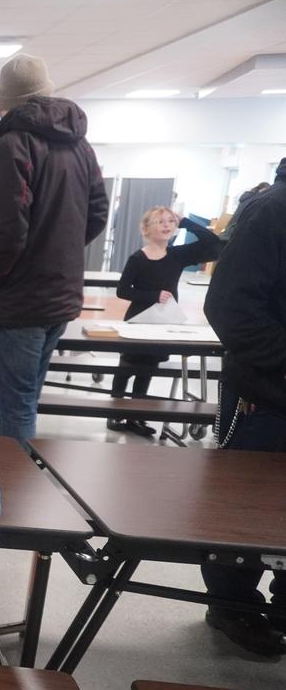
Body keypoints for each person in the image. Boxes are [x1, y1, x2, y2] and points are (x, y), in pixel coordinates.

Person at [0, 53, 108, 442]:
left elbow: (6, 232)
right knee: (26, 401)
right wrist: (57, 251)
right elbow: (97, 214)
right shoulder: (81, 147)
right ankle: (19, 487)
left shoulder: (11, 145)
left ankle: (11, 494)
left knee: (15, 409)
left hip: (19, 302)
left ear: (3, 103)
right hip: (59, 298)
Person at [200, 157, 286, 658]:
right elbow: (230, 306)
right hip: (266, 395)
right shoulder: (271, 210)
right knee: (240, 514)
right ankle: (231, 603)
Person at [108, 206, 223, 437]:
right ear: (146, 228)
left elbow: (215, 244)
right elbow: (122, 290)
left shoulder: (178, 255)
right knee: (127, 368)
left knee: (148, 370)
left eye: (171, 221)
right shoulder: (137, 258)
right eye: (161, 222)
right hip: (138, 320)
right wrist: (153, 295)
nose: (167, 225)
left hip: (163, 321)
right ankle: (114, 414)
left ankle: (135, 417)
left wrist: (187, 223)